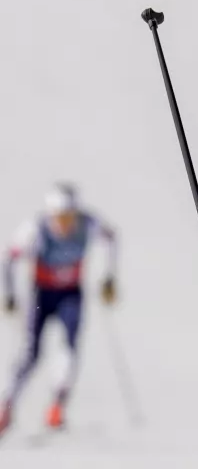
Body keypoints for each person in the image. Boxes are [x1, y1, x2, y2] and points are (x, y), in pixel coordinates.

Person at [0, 182, 118, 435]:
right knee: (30, 353)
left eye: (69, 217)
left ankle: (57, 405)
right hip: (41, 294)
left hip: (70, 294)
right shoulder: (36, 228)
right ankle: (6, 406)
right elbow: (9, 257)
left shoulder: (87, 224)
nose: (64, 224)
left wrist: (109, 278)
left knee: (69, 349)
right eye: (59, 217)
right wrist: (9, 293)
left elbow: (111, 239)